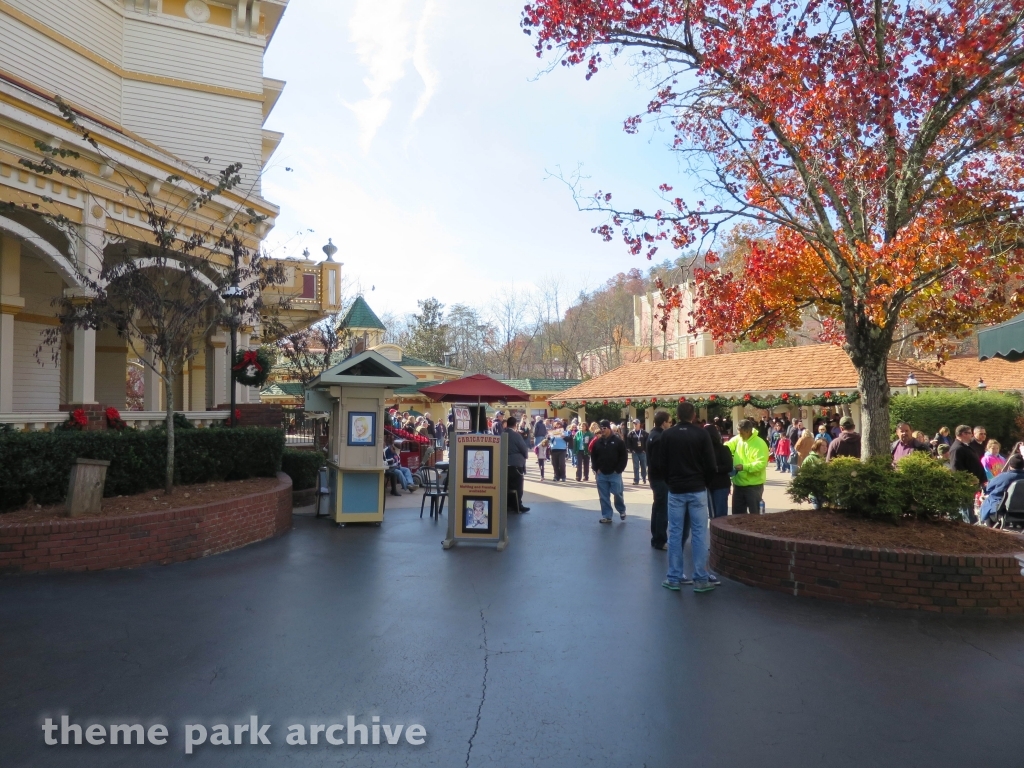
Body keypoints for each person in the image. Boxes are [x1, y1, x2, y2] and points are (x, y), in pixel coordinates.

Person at [659, 402, 718, 593]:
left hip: (676, 489)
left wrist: (671, 482)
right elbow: (710, 464)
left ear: (676, 416)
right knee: (700, 533)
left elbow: (662, 464)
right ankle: (700, 578)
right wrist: (705, 482)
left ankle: (674, 577)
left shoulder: (667, 435)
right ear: (693, 415)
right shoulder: (702, 434)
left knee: (675, 533)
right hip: (697, 487)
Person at [726, 419, 770, 514]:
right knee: (737, 515)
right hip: (738, 485)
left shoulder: (760, 444)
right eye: (739, 433)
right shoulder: (738, 439)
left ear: (749, 431)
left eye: (742, 433)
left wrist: (744, 467)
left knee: (755, 515)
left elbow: (761, 463)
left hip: (753, 486)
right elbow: (727, 447)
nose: (740, 435)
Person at [590, 419, 628, 523]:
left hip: (615, 473)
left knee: (617, 493)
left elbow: (623, 457)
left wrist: (619, 469)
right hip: (601, 473)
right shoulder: (597, 443)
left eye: (604, 428)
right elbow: (593, 456)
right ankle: (607, 516)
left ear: (609, 428)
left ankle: (621, 510)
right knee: (603, 496)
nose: (602, 430)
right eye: (601, 428)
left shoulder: (618, 441)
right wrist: (596, 468)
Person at [950, 424, 988, 523]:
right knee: (966, 508)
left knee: (969, 507)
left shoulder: (965, 446)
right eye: (970, 433)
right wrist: (967, 481)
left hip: (973, 482)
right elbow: (956, 468)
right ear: (963, 434)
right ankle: (969, 526)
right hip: (966, 485)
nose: (971, 435)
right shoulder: (957, 448)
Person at [646, 410, 671, 549]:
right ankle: (660, 539)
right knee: (662, 509)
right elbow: (658, 461)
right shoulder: (660, 438)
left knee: (657, 507)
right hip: (660, 478)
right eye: (669, 422)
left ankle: (656, 536)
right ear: (663, 423)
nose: (670, 424)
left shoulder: (652, 435)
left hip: (654, 477)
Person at [980, 453, 1024, 525]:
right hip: (1021, 509)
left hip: (1003, 509)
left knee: (988, 501)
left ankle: (989, 528)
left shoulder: (1003, 477)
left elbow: (988, 488)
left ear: (1010, 466)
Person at [705, 423, 733, 519]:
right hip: (708, 485)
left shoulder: (723, 449)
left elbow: (729, 466)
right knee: (712, 514)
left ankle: (720, 533)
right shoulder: (703, 450)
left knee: (720, 514)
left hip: (721, 484)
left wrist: (715, 468)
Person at [506, 416, 530, 513]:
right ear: (515, 425)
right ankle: (517, 505)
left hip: (504, 463)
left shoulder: (502, 434)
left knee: (507, 486)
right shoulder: (516, 435)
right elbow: (524, 449)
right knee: (517, 486)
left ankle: (508, 504)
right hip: (516, 463)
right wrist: (525, 456)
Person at [626, 418, 649, 485]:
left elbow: (647, 441)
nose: (635, 425)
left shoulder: (644, 433)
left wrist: (645, 450)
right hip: (635, 453)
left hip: (642, 452)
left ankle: (644, 478)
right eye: (634, 424)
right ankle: (636, 480)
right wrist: (631, 450)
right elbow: (628, 443)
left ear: (639, 424)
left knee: (644, 466)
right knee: (636, 467)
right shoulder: (631, 433)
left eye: (636, 423)